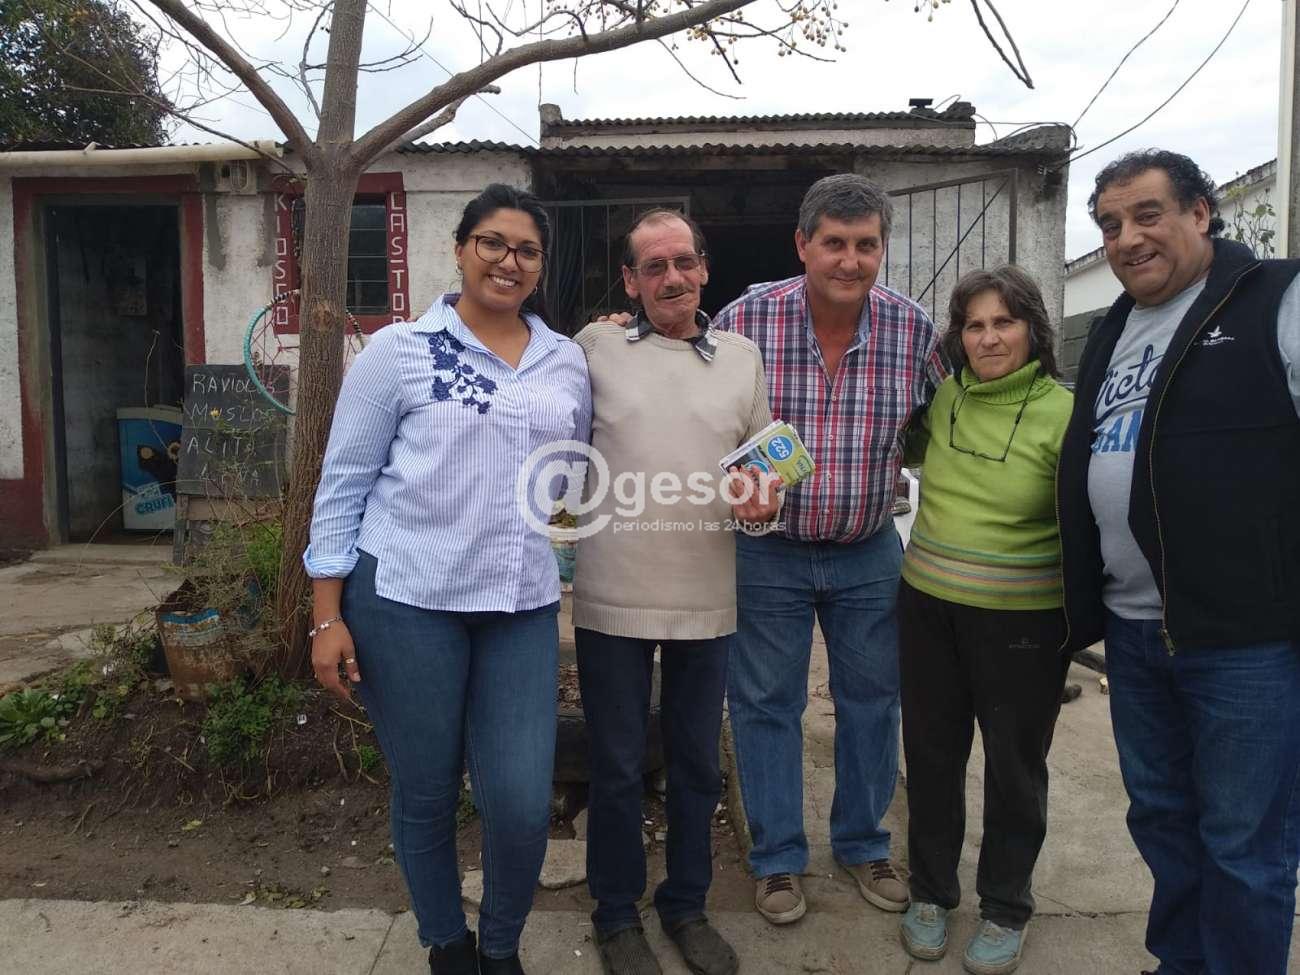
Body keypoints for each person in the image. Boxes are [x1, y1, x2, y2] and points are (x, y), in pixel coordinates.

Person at [303, 184, 592, 975]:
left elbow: (576, 471)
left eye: (527, 250)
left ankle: (500, 945)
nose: (509, 260)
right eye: (493, 242)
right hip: (405, 601)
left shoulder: (566, 359)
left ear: (540, 266)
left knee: (521, 802)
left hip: (519, 604)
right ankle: (446, 942)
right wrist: (327, 616)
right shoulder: (398, 350)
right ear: (460, 248)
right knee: (427, 790)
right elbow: (343, 484)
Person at [1058, 149, 1300, 974]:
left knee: (1243, 841)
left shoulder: (1275, 298)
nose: (1127, 238)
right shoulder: (1114, 328)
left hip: (1245, 637)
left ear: (1201, 212)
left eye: (1147, 214)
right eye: (1110, 224)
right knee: (1162, 818)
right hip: (1134, 630)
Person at [714, 173, 947, 925]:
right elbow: (703, 412)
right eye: (835, 243)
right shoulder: (748, 319)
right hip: (768, 551)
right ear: (803, 245)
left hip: (867, 547)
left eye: (866, 245)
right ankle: (778, 858)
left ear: (882, 248)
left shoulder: (912, 330)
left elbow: (948, 418)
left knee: (874, 701)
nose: (850, 260)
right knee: (765, 704)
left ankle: (863, 842)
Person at [572, 209, 780, 975]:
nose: (672, 277)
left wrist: (764, 508)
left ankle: (687, 904)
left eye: (683, 262)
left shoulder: (743, 359)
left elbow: (764, 473)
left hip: (706, 598)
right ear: (629, 282)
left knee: (697, 765)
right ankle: (615, 912)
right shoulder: (592, 348)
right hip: (611, 599)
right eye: (653, 266)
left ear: (704, 270)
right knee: (617, 764)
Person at [895, 266, 1073, 974]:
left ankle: (1004, 905)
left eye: (1004, 322)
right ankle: (930, 893)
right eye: (974, 325)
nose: (989, 337)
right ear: (958, 336)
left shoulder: (1065, 412)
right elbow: (898, 448)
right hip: (928, 608)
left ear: (1033, 329)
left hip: (1023, 620)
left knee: (1014, 768)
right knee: (932, 757)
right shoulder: (943, 398)